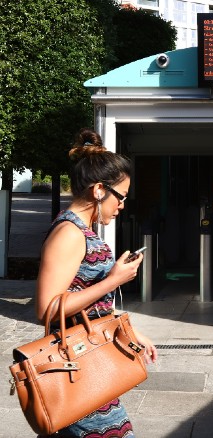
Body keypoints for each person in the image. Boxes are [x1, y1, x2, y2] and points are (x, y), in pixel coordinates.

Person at [34, 127, 157, 438]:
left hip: (88, 364)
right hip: (76, 368)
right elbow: (47, 310)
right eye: (121, 197)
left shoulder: (82, 230)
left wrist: (130, 331)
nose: (122, 206)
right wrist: (113, 279)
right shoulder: (69, 233)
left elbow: (90, 305)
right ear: (99, 189)